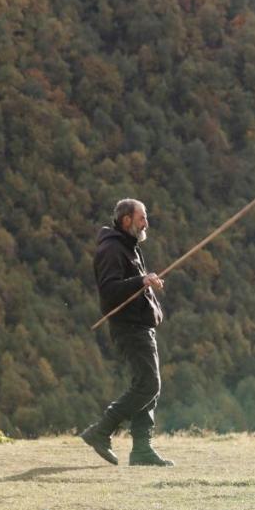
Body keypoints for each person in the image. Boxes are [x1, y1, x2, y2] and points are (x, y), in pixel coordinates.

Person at [79, 198, 175, 467]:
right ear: (126, 221)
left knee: (149, 387)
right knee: (148, 385)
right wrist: (141, 280)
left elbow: (131, 286)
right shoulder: (111, 250)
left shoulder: (130, 247)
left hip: (141, 327)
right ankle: (101, 430)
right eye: (142, 217)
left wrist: (144, 282)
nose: (147, 222)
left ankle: (142, 450)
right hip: (129, 328)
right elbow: (109, 291)